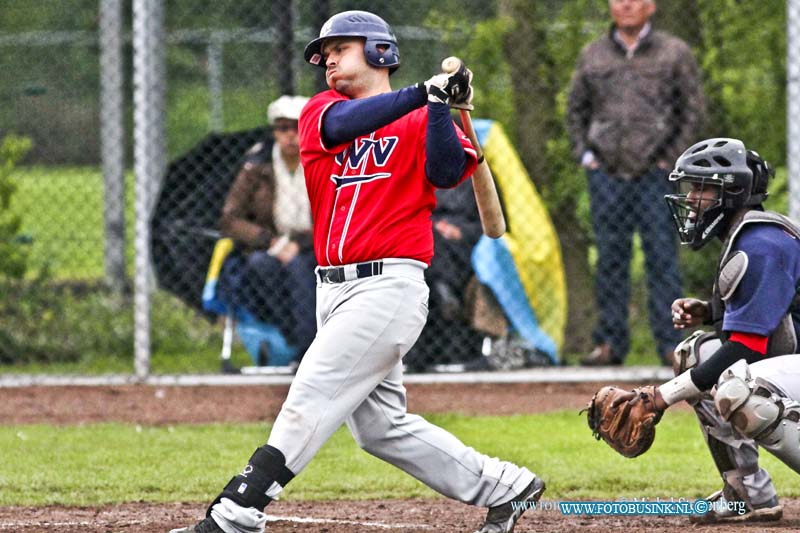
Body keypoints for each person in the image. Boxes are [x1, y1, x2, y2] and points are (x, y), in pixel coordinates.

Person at [171, 10, 544, 533]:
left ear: (379, 52)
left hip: (388, 285)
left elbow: (442, 170)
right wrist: (424, 92)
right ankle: (508, 487)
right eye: (323, 55)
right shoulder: (322, 111)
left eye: (338, 49)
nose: (327, 62)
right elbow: (346, 125)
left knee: (310, 392)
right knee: (380, 429)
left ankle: (238, 511)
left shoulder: (422, 116)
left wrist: (439, 108)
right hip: (333, 287)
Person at [601, 138, 799, 523]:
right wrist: (711, 312)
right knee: (695, 354)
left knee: (740, 390)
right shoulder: (749, 235)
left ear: (733, 191)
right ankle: (748, 494)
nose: (691, 198)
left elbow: (748, 347)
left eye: (702, 188)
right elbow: (778, 315)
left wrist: (660, 397)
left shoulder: (761, 244)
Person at [566, 0, 706, 366]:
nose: (626, 5)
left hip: (657, 174)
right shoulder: (593, 53)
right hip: (606, 174)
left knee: (662, 259)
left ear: (651, 7)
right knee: (610, 259)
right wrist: (587, 156)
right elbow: (575, 109)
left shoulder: (674, 53)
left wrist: (672, 159)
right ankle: (609, 344)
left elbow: (692, 110)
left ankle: (671, 344)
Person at [217, 95, 316, 363]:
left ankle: (308, 349)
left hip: (317, 245)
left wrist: (301, 244)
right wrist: (271, 242)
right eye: (283, 128)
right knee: (260, 265)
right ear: (274, 132)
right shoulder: (256, 165)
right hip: (271, 245)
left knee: (300, 268)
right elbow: (229, 219)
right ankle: (295, 337)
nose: (291, 136)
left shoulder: (324, 160)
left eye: (298, 127)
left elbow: (339, 214)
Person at [404, 179, 485, 371]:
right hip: (428, 245)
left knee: (432, 250)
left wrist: (460, 232)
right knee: (430, 239)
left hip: (462, 249)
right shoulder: (421, 176)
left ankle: (443, 288)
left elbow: (491, 226)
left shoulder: (477, 180)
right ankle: (444, 290)